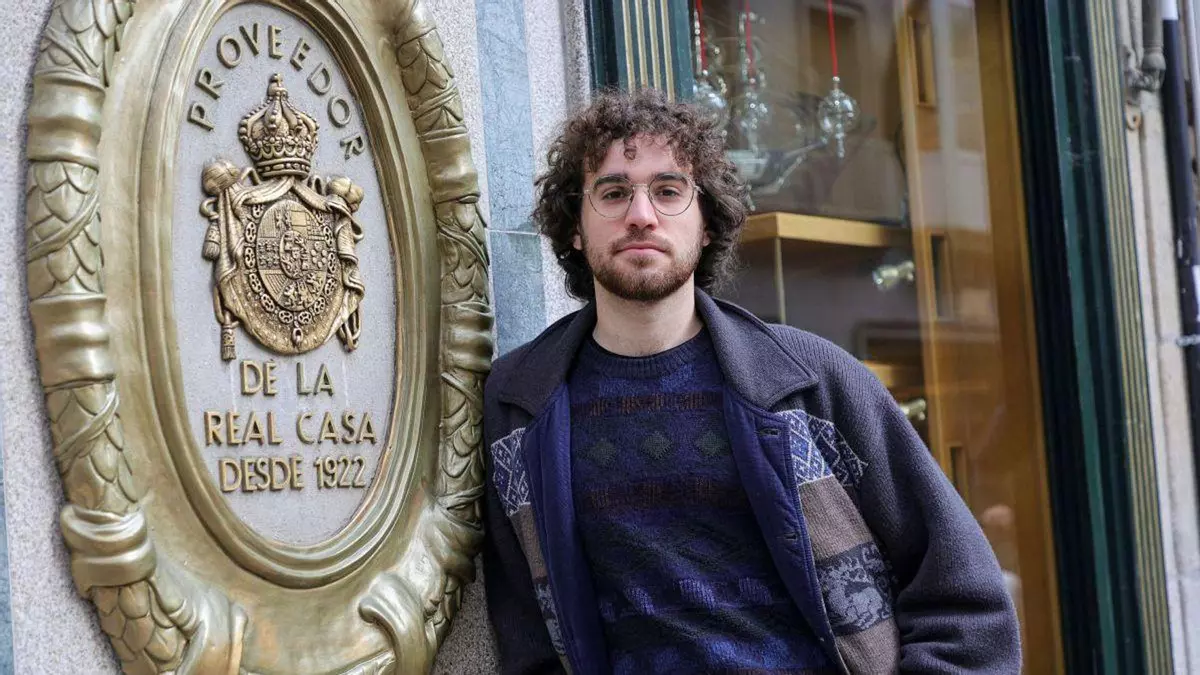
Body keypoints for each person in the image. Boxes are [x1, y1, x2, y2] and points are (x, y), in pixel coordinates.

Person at [481, 88, 1019, 675]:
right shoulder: (521, 406)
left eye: (668, 191)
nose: (641, 215)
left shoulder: (810, 382)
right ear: (575, 228)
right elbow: (527, 641)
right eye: (613, 193)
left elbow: (965, 600)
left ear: (706, 224)